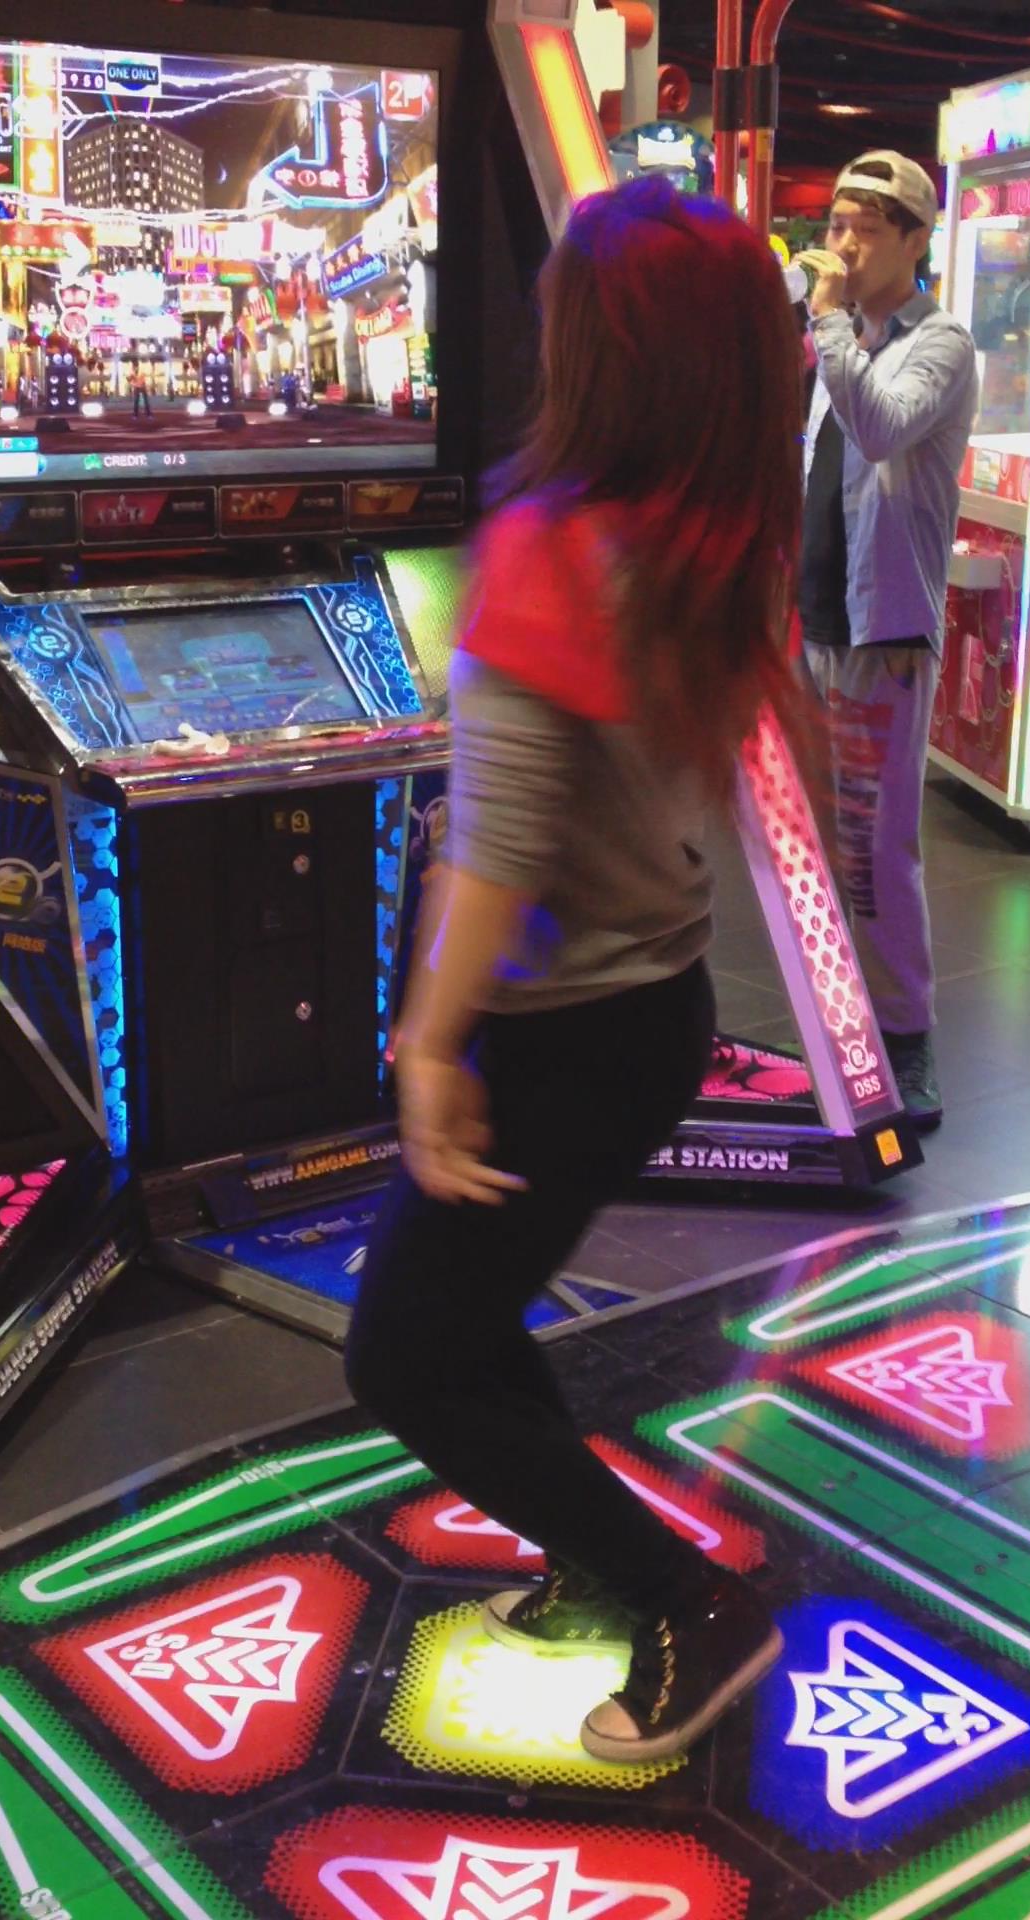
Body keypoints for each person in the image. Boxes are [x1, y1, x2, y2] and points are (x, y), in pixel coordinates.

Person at [344, 176, 804, 1764]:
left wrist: (427, 1046)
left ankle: (687, 1604)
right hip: (654, 1011)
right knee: (468, 1324)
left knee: (406, 1356)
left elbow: (502, 843)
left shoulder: (552, 545)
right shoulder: (712, 536)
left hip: (552, 1033)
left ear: (603, 350)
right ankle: (601, 1558)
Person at [794, 152, 978, 1130]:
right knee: (819, 841)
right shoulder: (843, 343)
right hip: (818, 624)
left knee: (877, 851)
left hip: (886, 636)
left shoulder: (939, 344)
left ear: (916, 241)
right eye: (837, 223)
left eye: (868, 228)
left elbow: (879, 428)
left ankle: (908, 1035)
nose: (846, 243)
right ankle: (847, 1024)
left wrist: (827, 324)